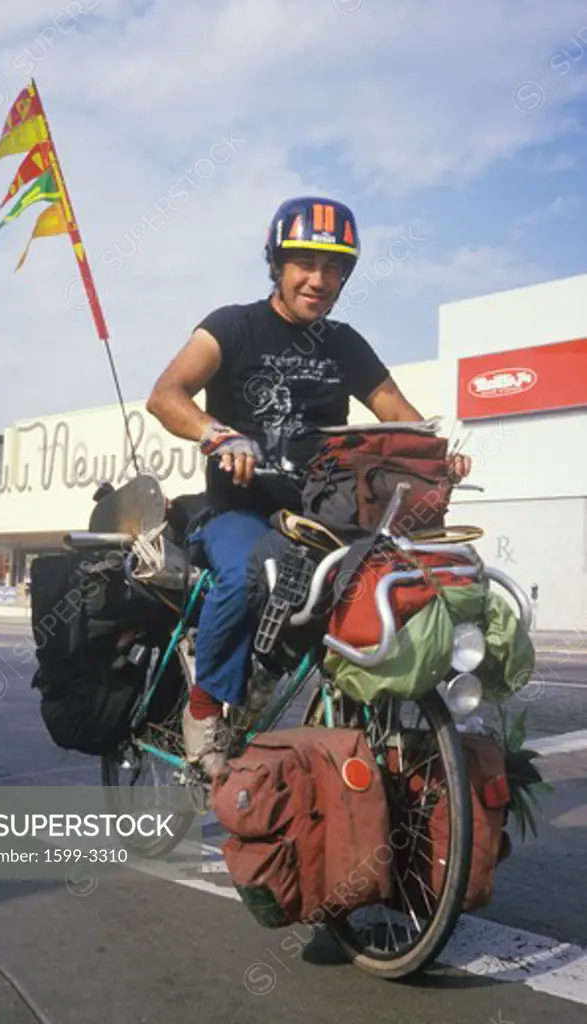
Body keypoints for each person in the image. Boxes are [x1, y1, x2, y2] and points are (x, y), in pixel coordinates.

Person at [146, 195, 471, 775]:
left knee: (375, 584)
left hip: (320, 515)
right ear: (277, 263)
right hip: (238, 509)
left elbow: (396, 410)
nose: (319, 280)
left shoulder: (344, 342)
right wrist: (218, 436)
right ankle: (202, 710)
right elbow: (166, 396)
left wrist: (436, 456)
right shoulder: (231, 326)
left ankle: (298, 702)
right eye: (305, 264)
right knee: (251, 571)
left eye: (334, 268)